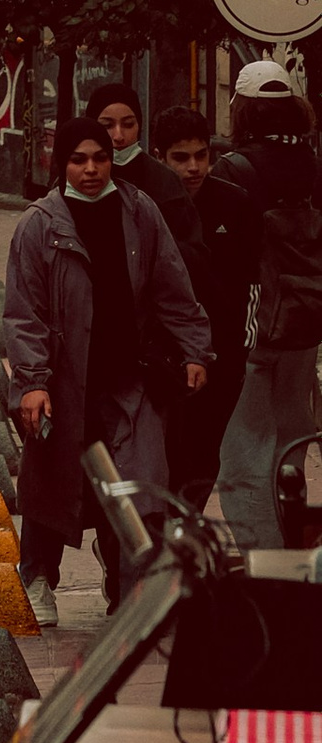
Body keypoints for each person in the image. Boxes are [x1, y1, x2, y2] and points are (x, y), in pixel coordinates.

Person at [5, 108, 211, 626]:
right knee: (53, 489)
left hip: (129, 381)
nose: (91, 169)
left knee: (140, 490)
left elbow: (172, 287)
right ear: (62, 164)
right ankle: (36, 577)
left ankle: (132, 600)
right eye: (79, 160)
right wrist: (31, 383)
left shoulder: (139, 212)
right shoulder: (39, 225)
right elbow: (23, 312)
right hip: (63, 383)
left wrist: (194, 350)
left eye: (100, 158)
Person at [207, 61, 322, 554]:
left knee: (243, 454)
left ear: (242, 108)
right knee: (292, 441)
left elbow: (218, 255)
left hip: (252, 329)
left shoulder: (234, 169)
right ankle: (297, 548)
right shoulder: (313, 165)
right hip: (304, 324)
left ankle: (267, 563)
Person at [153, 103, 243, 509]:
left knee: (205, 459)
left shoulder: (234, 203)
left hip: (222, 356)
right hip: (165, 357)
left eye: (201, 155)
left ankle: (183, 536)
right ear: (160, 157)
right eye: (181, 158)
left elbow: (250, 281)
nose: (193, 167)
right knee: (164, 457)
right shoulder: (148, 207)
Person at [84, 83, 194, 227]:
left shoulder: (164, 181)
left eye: (128, 124)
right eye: (107, 126)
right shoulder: (74, 178)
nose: (118, 136)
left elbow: (190, 243)